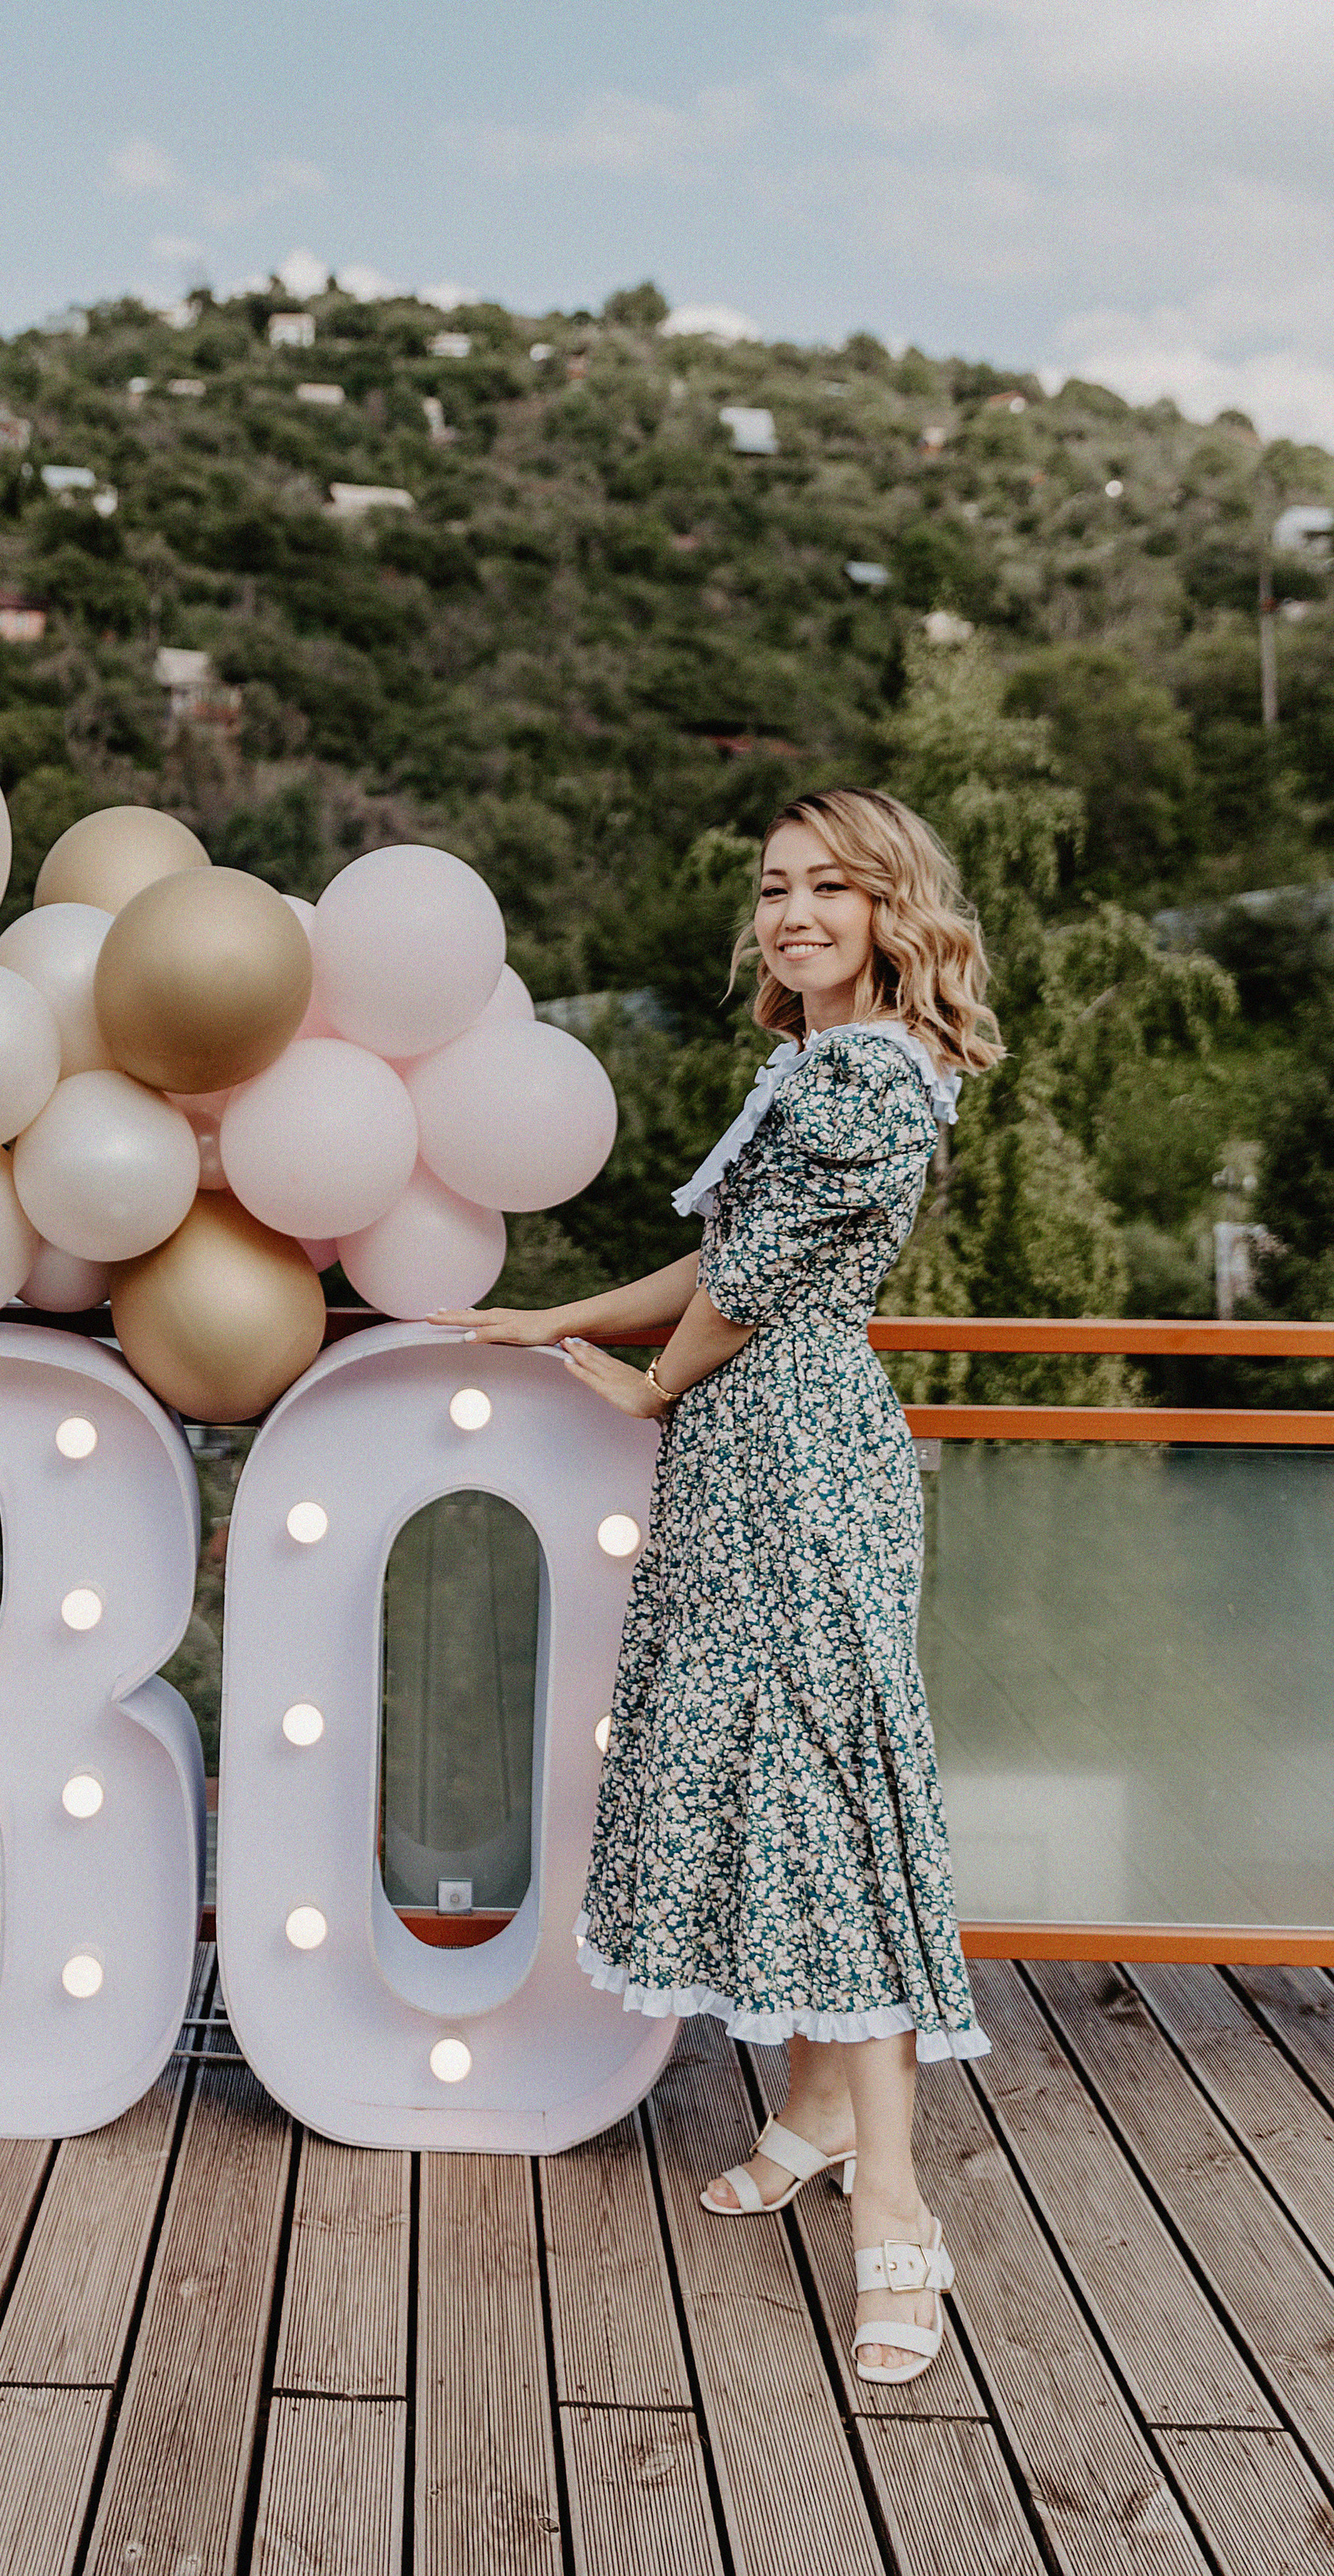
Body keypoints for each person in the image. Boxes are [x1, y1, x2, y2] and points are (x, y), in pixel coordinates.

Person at [444, 788, 1000, 2384]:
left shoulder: (866, 1074)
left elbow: (751, 1288)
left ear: (890, 908)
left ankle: (894, 2203)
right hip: (743, 1453)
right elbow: (715, 1258)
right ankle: (820, 2110)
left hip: (797, 1459)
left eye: (830, 888)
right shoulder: (809, 1067)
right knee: (767, 1775)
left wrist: (639, 1387)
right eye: (773, 889)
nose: (793, 914)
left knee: (826, 1800)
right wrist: (559, 1314)